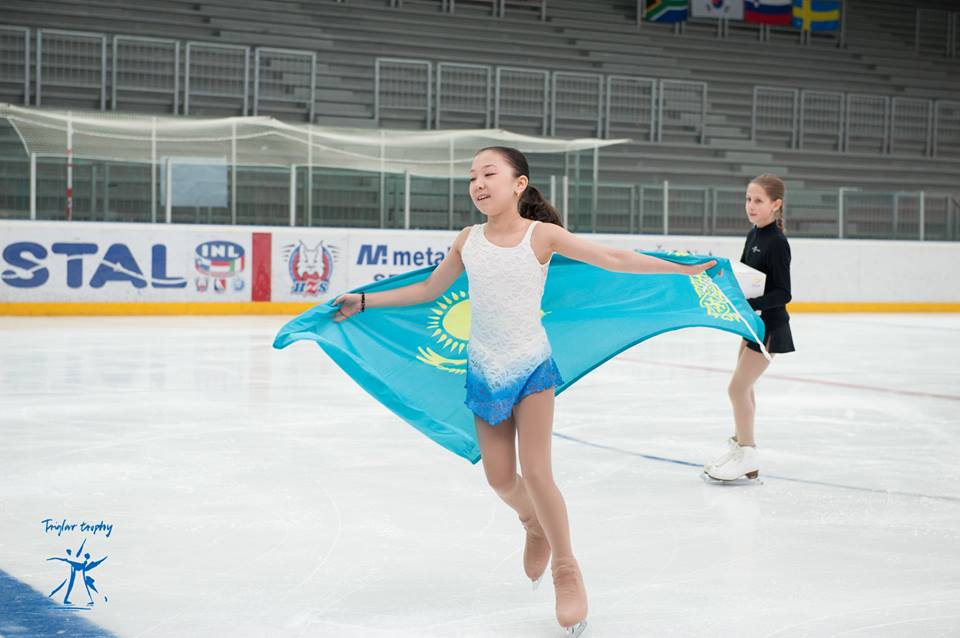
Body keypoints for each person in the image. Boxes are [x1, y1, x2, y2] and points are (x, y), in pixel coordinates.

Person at [334, 146, 716, 636]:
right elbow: (428, 290)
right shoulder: (468, 240)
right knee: (499, 478)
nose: (477, 182)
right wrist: (364, 301)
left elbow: (613, 258)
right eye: (472, 176)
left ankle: (567, 569)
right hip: (484, 370)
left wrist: (678, 267)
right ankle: (531, 523)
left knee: (537, 471)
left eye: (489, 173)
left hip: (531, 366)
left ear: (518, 184)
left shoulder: (543, 235)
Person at [704, 174, 795, 483]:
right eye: (748, 199)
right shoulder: (753, 235)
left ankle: (748, 451)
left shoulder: (778, 243)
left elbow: (784, 293)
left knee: (737, 388)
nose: (751, 206)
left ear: (776, 204)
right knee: (745, 388)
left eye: (758, 200)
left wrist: (753, 305)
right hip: (752, 324)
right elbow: (744, 275)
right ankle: (744, 450)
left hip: (769, 327)